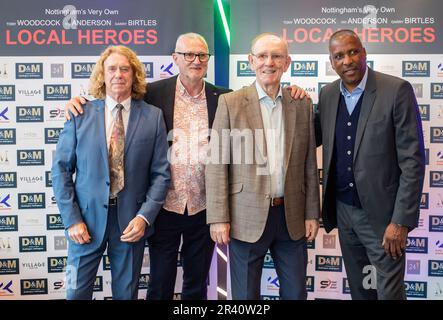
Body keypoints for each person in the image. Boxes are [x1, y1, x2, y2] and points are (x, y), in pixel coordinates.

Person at [64, 33, 309, 300]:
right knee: (160, 282)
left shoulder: (224, 98)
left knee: (197, 283)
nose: (195, 60)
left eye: (202, 55)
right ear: (175, 59)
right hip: (163, 206)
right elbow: (116, 99)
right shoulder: (153, 95)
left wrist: (294, 92)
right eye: (188, 55)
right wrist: (80, 102)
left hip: (204, 208)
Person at [206, 33, 320, 300]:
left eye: (277, 56)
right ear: (250, 61)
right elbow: (217, 164)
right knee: (245, 297)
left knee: (296, 293)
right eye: (262, 56)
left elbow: (308, 165)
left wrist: (312, 213)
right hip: (245, 218)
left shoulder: (301, 103)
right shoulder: (231, 103)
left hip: (291, 218)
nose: (269, 62)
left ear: (287, 62)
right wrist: (218, 217)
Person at [52, 45, 170, 300]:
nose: (118, 74)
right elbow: (61, 170)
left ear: (134, 75)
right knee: (75, 294)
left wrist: (144, 218)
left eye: (125, 69)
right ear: (102, 75)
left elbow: (161, 174)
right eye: (112, 69)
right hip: (84, 221)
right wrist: (72, 219)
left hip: (130, 223)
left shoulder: (153, 117)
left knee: (126, 295)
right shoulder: (80, 114)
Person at [316, 29, 425, 300]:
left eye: (353, 52)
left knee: (388, 293)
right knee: (361, 289)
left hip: (383, 218)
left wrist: (400, 221)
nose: (347, 60)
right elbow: (312, 136)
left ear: (364, 53)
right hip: (344, 212)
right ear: (332, 62)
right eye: (339, 56)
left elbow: (412, 161)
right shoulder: (328, 95)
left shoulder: (396, 90)